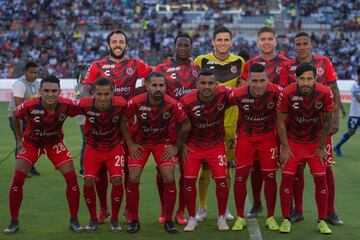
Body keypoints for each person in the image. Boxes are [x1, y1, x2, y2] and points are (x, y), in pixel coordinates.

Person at [82, 29, 152, 224]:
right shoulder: (98, 65)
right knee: (102, 173)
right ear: (108, 45)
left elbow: (155, 75)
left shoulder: (135, 64)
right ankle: (104, 209)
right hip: (105, 124)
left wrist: (141, 89)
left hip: (129, 124)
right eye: (114, 42)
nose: (118, 45)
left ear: (126, 45)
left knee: (130, 170)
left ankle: (129, 210)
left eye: (121, 41)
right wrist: (88, 99)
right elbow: (87, 86)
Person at [4, 75, 82, 234]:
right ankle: (14, 221)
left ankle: (74, 220)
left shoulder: (67, 105)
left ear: (60, 92)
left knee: (72, 178)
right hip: (31, 144)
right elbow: (14, 115)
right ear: (40, 91)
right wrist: (19, 140)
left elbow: (85, 110)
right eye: (46, 90)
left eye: (54, 91)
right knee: (18, 179)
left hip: (55, 144)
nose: (50, 94)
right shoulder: (29, 105)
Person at [279, 32, 342, 225]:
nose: (302, 47)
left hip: (320, 129)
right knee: (296, 170)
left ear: (311, 44)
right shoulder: (287, 67)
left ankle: (330, 212)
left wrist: (336, 119)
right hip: (296, 130)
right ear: (294, 46)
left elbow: (334, 89)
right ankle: (297, 210)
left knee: (327, 169)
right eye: (298, 44)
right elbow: (284, 98)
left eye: (305, 43)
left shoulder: (324, 62)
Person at [121, 72, 191, 234]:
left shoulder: (172, 104)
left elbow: (186, 125)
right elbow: (123, 121)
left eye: (161, 85)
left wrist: (176, 146)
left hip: (162, 143)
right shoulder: (136, 102)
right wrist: (130, 144)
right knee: (133, 175)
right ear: (147, 85)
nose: (158, 89)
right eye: (154, 85)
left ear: (165, 87)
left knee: (168, 176)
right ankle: (134, 220)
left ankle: (168, 220)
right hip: (141, 144)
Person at [193, 26, 245, 221]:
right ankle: (202, 207)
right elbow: (195, 89)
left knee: (228, 167)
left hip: (230, 123)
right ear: (213, 42)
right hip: (206, 124)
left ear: (231, 42)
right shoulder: (201, 60)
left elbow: (242, 92)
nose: (222, 43)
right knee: (205, 167)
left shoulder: (239, 62)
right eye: (219, 40)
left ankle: (225, 208)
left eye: (226, 40)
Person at [277, 63, 334, 234]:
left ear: (315, 79)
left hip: (315, 144)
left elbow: (328, 121)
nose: (306, 83)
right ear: (296, 78)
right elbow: (280, 122)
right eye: (302, 79)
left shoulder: (324, 93)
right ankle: (286, 218)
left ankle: (322, 220)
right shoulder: (287, 93)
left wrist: (322, 146)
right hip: (293, 143)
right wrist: (285, 148)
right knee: (287, 179)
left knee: (321, 180)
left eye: (309, 79)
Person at [241, 27, 289, 218]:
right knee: (257, 167)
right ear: (258, 42)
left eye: (270, 38)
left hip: (281, 123)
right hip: (257, 125)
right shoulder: (250, 64)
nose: (267, 42)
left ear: (275, 41)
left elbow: (289, 92)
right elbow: (243, 91)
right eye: (263, 39)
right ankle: (257, 203)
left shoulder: (286, 63)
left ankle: (290, 205)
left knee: (288, 165)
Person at [180, 68, 235, 232]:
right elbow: (178, 124)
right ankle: (191, 218)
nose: (206, 86)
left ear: (216, 85)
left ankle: (221, 217)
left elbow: (243, 95)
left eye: (210, 83)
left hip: (216, 145)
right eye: (203, 83)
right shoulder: (186, 101)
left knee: (221, 179)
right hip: (193, 147)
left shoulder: (224, 95)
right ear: (197, 84)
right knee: (189, 181)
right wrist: (181, 145)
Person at [155, 33, 198, 225]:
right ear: (174, 46)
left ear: (191, 47)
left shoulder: (197, 70)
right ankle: (165, 207)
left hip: (192, 130)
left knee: (186, 172)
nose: (183, 47)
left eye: (186, 45)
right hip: (167, 130)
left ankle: (181, 211)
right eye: (180, 44)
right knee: (163, 171)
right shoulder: (162, 69)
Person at [232, 63, 281, 231]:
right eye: (254, 81)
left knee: (270, 177)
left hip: (268, 139)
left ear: (267, 79)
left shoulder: (276, 92)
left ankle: (270, 216)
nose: (259, 85)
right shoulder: (238, 94)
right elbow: (217, 103)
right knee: (240, 177)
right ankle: (240, 217)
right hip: (246, 139)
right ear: (249, 81)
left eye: (262, 80)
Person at [77, 77, 127, 232]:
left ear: (113, 93)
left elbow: (129, 120)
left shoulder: (121, 104)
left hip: (114, 148)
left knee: (117, 179)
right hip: (93, 149)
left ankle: (114, 219)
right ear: (93, 93)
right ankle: (93, 218)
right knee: (89, 180)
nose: (103, 98)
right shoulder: (84, 104)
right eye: (99, 94)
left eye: (106, 94)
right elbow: (65, 111)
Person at [8, 62, 41, 177]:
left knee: (31, 144)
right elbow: (18, 106)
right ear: (25, 72)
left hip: (30, 118)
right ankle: (20, 170)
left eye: (36, 72)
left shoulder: (37, 84)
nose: (34, 75)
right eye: (31, 72)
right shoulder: (20, 84)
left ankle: (30, 167)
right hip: (17, 118)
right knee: (21, 142)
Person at [334, 67, 360, 156]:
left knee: (352, 131)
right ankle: (337, 146)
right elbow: (359, 99)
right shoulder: (355, 86)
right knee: (351, 131)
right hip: (355, 114)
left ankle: (337, 147)